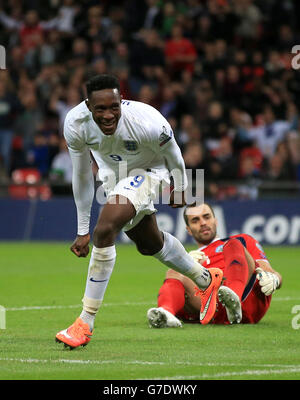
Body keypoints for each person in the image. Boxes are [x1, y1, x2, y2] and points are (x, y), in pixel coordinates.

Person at [55, 74, 223, 349]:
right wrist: (81, 230)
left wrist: (180, 186)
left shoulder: (148, 122)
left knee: (105, 230)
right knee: (150, 244)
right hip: (113, 176)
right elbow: (83, 176)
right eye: (100, 109)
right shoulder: (75, 125)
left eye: (114, 107)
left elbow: (173, 153)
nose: (108, 115)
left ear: (121, 101)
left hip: (151, 170)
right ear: (88, 106)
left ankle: (85, 322)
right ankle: (206, 278)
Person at [147, 202, 282, 328]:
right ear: (188, 229)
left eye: (206, 217)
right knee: (173, 271)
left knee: (234, 244)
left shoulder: (242, 240)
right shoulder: (192, 257)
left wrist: (275, 279)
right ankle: (165, 313)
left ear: (215, 220)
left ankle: (233, 298)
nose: (203, 223)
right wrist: (184, 264)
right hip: (213, 309)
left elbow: (267, 270)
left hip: (247, 300)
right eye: (195, 220)